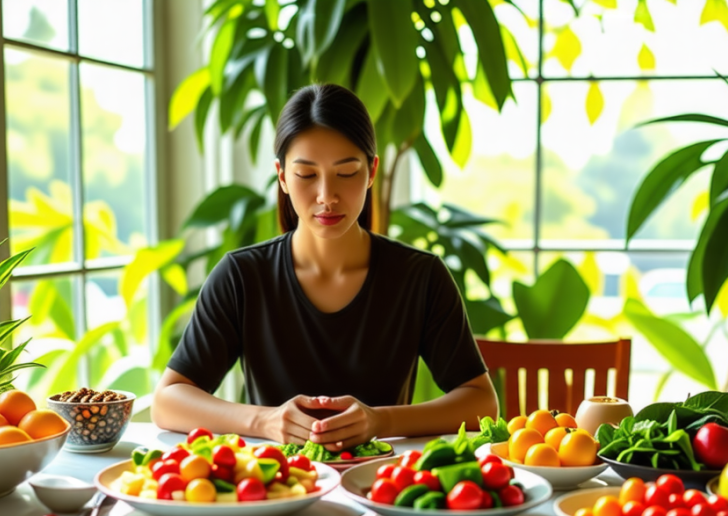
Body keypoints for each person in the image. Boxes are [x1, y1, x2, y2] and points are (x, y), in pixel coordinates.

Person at [152, 83, 498, 450]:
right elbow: (168, 400)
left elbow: (481, 402)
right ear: (282, 176)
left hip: (379, 484)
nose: (326, 196)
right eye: (306, 175)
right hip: (273, 487)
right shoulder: (241, 275)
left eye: (347, 173)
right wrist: (265, 421)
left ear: (371, 171)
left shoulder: (420, 276)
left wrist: (380, 420)